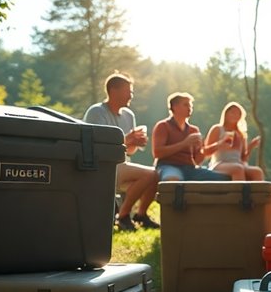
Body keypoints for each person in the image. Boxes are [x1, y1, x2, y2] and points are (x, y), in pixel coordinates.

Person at [83, 72, 159, 231]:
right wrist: (127, 139)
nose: (131, 95)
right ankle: (123, 216)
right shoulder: (97, 112)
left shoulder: (128, 115)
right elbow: (97, 146)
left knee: (155, 176)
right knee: (151, 174)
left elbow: (129, 152)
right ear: (113, 91)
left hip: (122, 165)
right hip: (103, 166)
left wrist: (135, 142)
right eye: (128, 91)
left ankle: (140, 215)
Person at [152, 92, 231, 182]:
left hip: (190, 168)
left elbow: (197, 161)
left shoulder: (193, 130)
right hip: (168, 166)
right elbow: (157, 153)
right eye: (186, 105)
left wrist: (203, 150)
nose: (190, 108)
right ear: (174, 107)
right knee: (173, 179)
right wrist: (185, 143)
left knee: (224, 179)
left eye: (191, 105)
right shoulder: (163, 126)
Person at [203, 102, 263, 181]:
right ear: (226, 114)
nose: (235, 115)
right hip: (220, 163)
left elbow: (243, 159)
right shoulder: (217, 129)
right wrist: (220, 143)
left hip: (238, 163)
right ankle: (240, 193)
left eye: (238, 114)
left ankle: (257, 193)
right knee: (237, 169)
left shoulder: (241, 134)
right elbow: (205, 151)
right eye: (233, 112)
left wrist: (251, 147)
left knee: (257, 171)